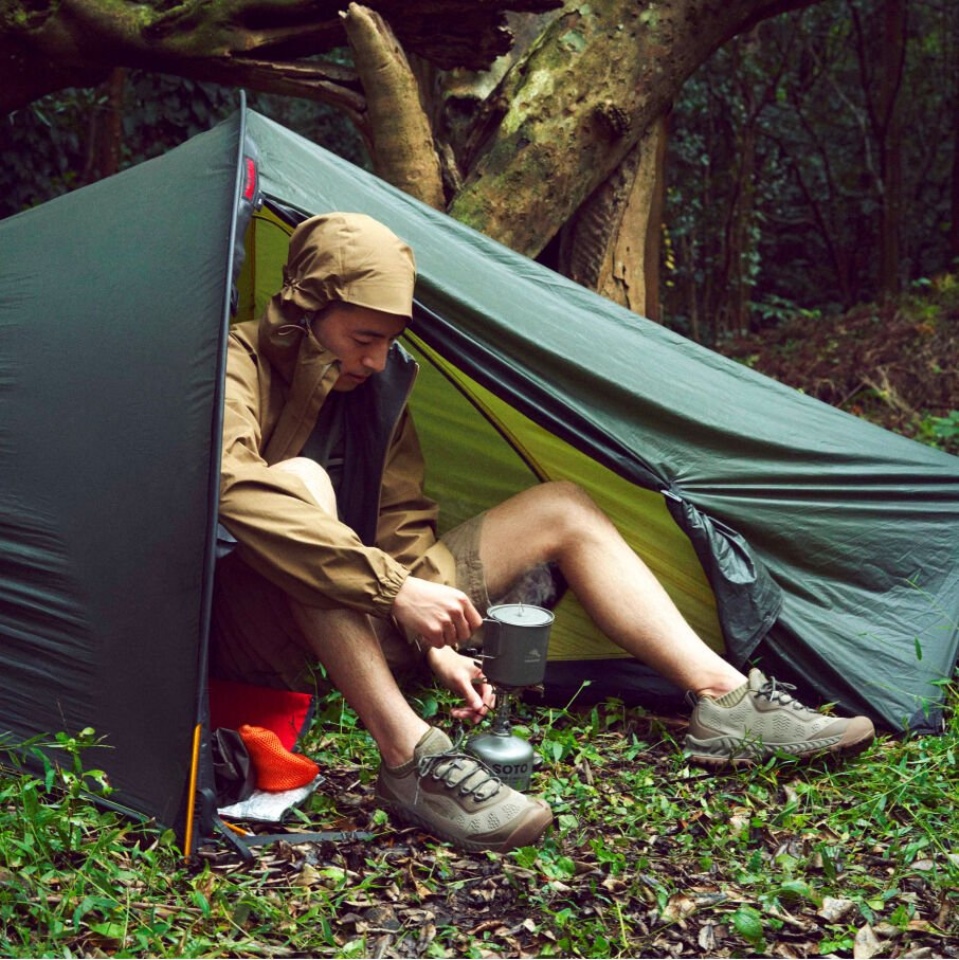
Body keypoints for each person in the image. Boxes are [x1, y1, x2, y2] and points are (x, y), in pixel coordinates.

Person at [212, 212, 875, 854]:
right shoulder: (235, 362)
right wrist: (394, 593)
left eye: (389, 341)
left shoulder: (378, 386)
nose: (379, 359)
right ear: (306, 307)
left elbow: (400, 523)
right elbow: (232, 489)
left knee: (561, 506)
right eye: (363, 338)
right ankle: (409, 757)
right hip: (264, 626)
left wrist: (429, 640)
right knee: (300, 484)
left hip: (369, 604)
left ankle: (723, 699)